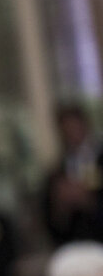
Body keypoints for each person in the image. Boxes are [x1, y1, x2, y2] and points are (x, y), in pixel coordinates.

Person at [42, 103, 103, 248]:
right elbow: (52, 222)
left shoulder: (100, 160)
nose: (72, 132)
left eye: (75, 126)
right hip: (77, 247)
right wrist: (61, 206)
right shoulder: (57, 172)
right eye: (67, 128)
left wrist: (89, 201)